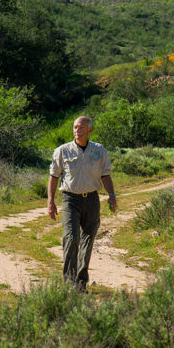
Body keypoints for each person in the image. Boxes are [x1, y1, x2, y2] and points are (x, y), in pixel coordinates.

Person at [47, 116, 116, 292]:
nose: (77, 130)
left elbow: (105, 175)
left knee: (87, 240)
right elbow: (54, 176)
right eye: (75, 127)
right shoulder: (63, 151)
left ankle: (81, 282)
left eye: (81, 127)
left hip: (92, 199)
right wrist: (50, 202)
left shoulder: (99, 150)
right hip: (70, 199)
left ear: (90, 130)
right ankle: (69, 283)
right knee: (71, 238)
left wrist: (112, 195)